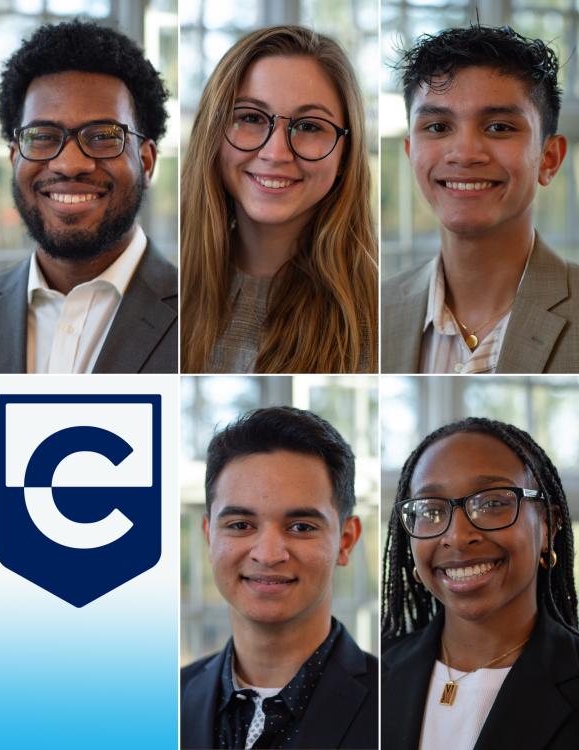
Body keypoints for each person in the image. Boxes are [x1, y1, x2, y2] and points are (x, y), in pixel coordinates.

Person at [0, 20, 177, 374]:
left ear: (146, 162)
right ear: (14, 159)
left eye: (102, 136)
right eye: (42, 136)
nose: (70, 164)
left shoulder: (205, 316)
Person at [181, 26, 377, 374]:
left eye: (309, 126)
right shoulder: (161, 291)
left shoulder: (378, 321)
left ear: (346, 154)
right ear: (211, 135)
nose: (276, 152)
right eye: (251, 118)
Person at [382, 25, 578, 373]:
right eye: (438, 127)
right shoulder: (370, 313)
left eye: (499, 127)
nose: (465, 153)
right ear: (411, 153)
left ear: (549, 158)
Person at [181, 407, 377, 749]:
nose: (268, 554)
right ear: (209, 536)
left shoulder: (397, 703)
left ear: (346, 541)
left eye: (301, 527)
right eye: (241, 525)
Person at [381, 417, 579, 749]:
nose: (457, 536)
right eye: (430, 510)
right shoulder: (372, 678)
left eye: (492, 504)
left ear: (549, 525)